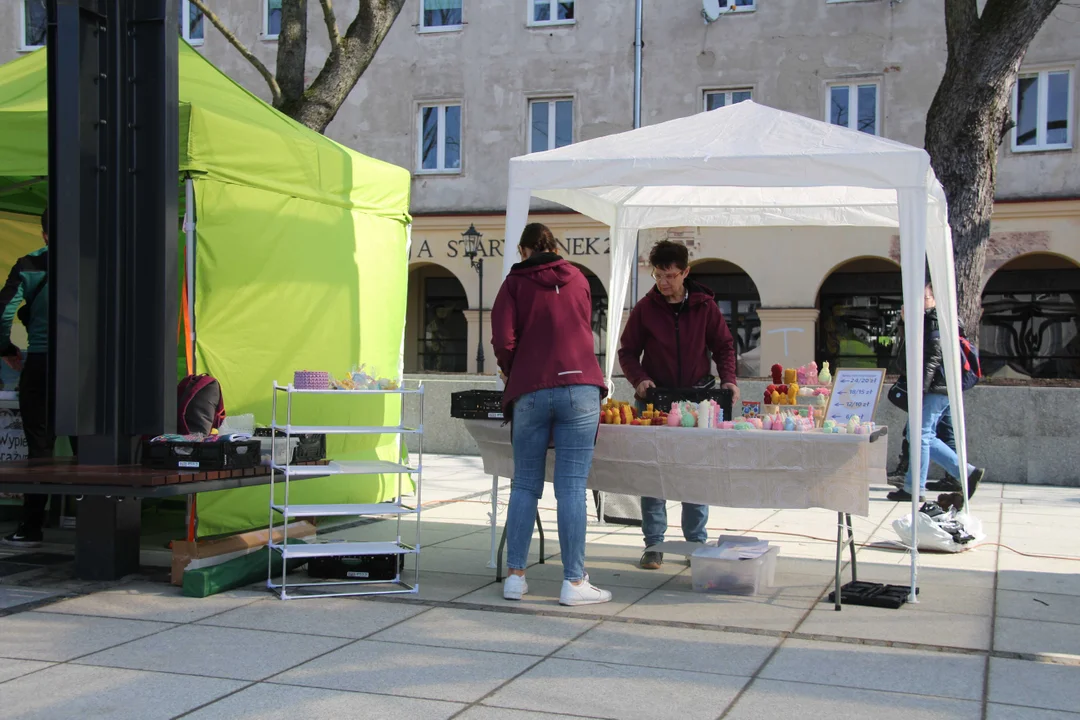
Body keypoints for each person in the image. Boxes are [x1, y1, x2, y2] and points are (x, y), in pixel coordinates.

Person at [491, 222, 611, 606]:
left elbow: (502, 338)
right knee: (571, 487)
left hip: (531, 386)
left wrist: (514, 367)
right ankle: (574, 583)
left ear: (525, 250)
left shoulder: (514, 283)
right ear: (554, 247)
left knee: (525, 484)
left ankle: (515, 577)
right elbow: (581, 325)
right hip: (580, 385)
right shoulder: (578, 277)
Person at [618, 241, 739, 569]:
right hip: (654, 402)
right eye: (658, 275)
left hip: (698, 402)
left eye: (670, 275)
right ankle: (654, 544)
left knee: (695, 473)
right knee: (653, 475)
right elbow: (627, 351)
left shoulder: (705, 307)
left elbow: (724, 346)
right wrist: (639, 379)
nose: (664, 282)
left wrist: (729, 378)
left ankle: (695, 543)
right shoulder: (645, 308)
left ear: (686, 272)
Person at [888, 282, 985, 503]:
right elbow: (906, 358)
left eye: (923, 298)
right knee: (923, 435)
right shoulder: (928, 321)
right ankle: (965, 473)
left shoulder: (933, 322)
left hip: (935, 387)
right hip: (940, 387)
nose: (916, 303)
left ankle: (917, 488)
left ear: (934, 300)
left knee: (920, 434)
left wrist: (919, 390)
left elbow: (932, 359)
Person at [1, 206, 51, 548]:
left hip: (41, 362)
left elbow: (3, 312)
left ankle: (31, 526)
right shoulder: (97, 259)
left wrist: (6, 349)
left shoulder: (31, 263)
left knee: (40, 447)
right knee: (89, 445)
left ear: (44, 233)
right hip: (90, 368)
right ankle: (94, 521)